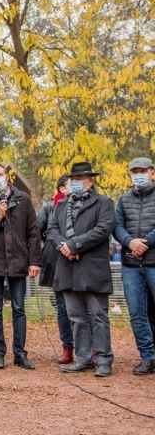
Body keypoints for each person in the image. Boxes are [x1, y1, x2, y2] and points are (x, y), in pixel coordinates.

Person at [48, 161, 115, 377]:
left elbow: (102, 230)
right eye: (74, 180)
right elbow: (52, 230)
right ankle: (83, 357)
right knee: (75, 317)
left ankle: (104, 358)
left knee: (98, 316)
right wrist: (64, 247)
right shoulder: (60, 205)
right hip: (67, 267)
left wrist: (75, 245)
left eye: (81, 179)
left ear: (90, 180)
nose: (77, 183)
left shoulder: (104, 202)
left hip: (92, 267)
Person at [0, 163, 42, 370]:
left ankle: (20, 353)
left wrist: (34, 261)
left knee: (19, 308)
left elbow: (33, 232)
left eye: (0, 174)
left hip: (18, 262)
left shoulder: (24, 199)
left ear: (7, 175)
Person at [113, 157, 155, 375]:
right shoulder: (123, 199)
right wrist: (130, 241)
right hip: (131, 265)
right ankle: (147, 357)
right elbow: (116, 226)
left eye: (142, 171)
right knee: (137, 313)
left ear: (152, 172)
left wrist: (145, 242)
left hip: (153, 262)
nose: (138, 174)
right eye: (134, 171)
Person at [38, 174, 75, 364]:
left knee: (81, 306)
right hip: (56, 261)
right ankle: (67, 347)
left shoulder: (83, 205)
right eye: (72, 184)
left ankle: (88, 347)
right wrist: (57, 246)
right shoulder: (49, 206)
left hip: (79, 260)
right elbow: (39, 230)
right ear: (62, 188)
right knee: (62, 307)